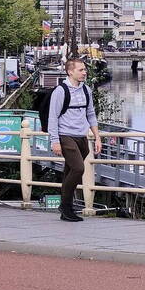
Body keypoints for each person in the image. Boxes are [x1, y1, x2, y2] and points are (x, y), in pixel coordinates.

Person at [48, 58, 101, 222]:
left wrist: (97, 137)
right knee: (78, 169)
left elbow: (91, 114)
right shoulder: (61, 91)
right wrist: (55, 141)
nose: (84, 72)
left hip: (82, 137)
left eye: (85, 70)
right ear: (70, 72)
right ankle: (66, 207)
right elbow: (53, 117)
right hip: (66, 136)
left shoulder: (86, 90)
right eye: (81, 70)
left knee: (69, 171)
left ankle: (65, 207)